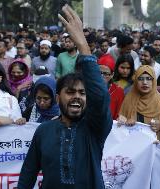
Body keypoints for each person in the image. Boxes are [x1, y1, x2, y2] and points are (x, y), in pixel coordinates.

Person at [17, 5, 112, 189]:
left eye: (82, 93)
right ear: (58, 98)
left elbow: (100, 98)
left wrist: (83, 46)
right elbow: (28, 173)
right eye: (70, 92)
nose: (77, 97)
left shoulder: (95, 128)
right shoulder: (44, 131)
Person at [98, 54, 124, 120]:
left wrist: (120, 118)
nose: (101, 76)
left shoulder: (118, 91)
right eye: (99, 72)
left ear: (112, 75)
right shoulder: (88, 88)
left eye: (105, 74)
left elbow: (118, 115)